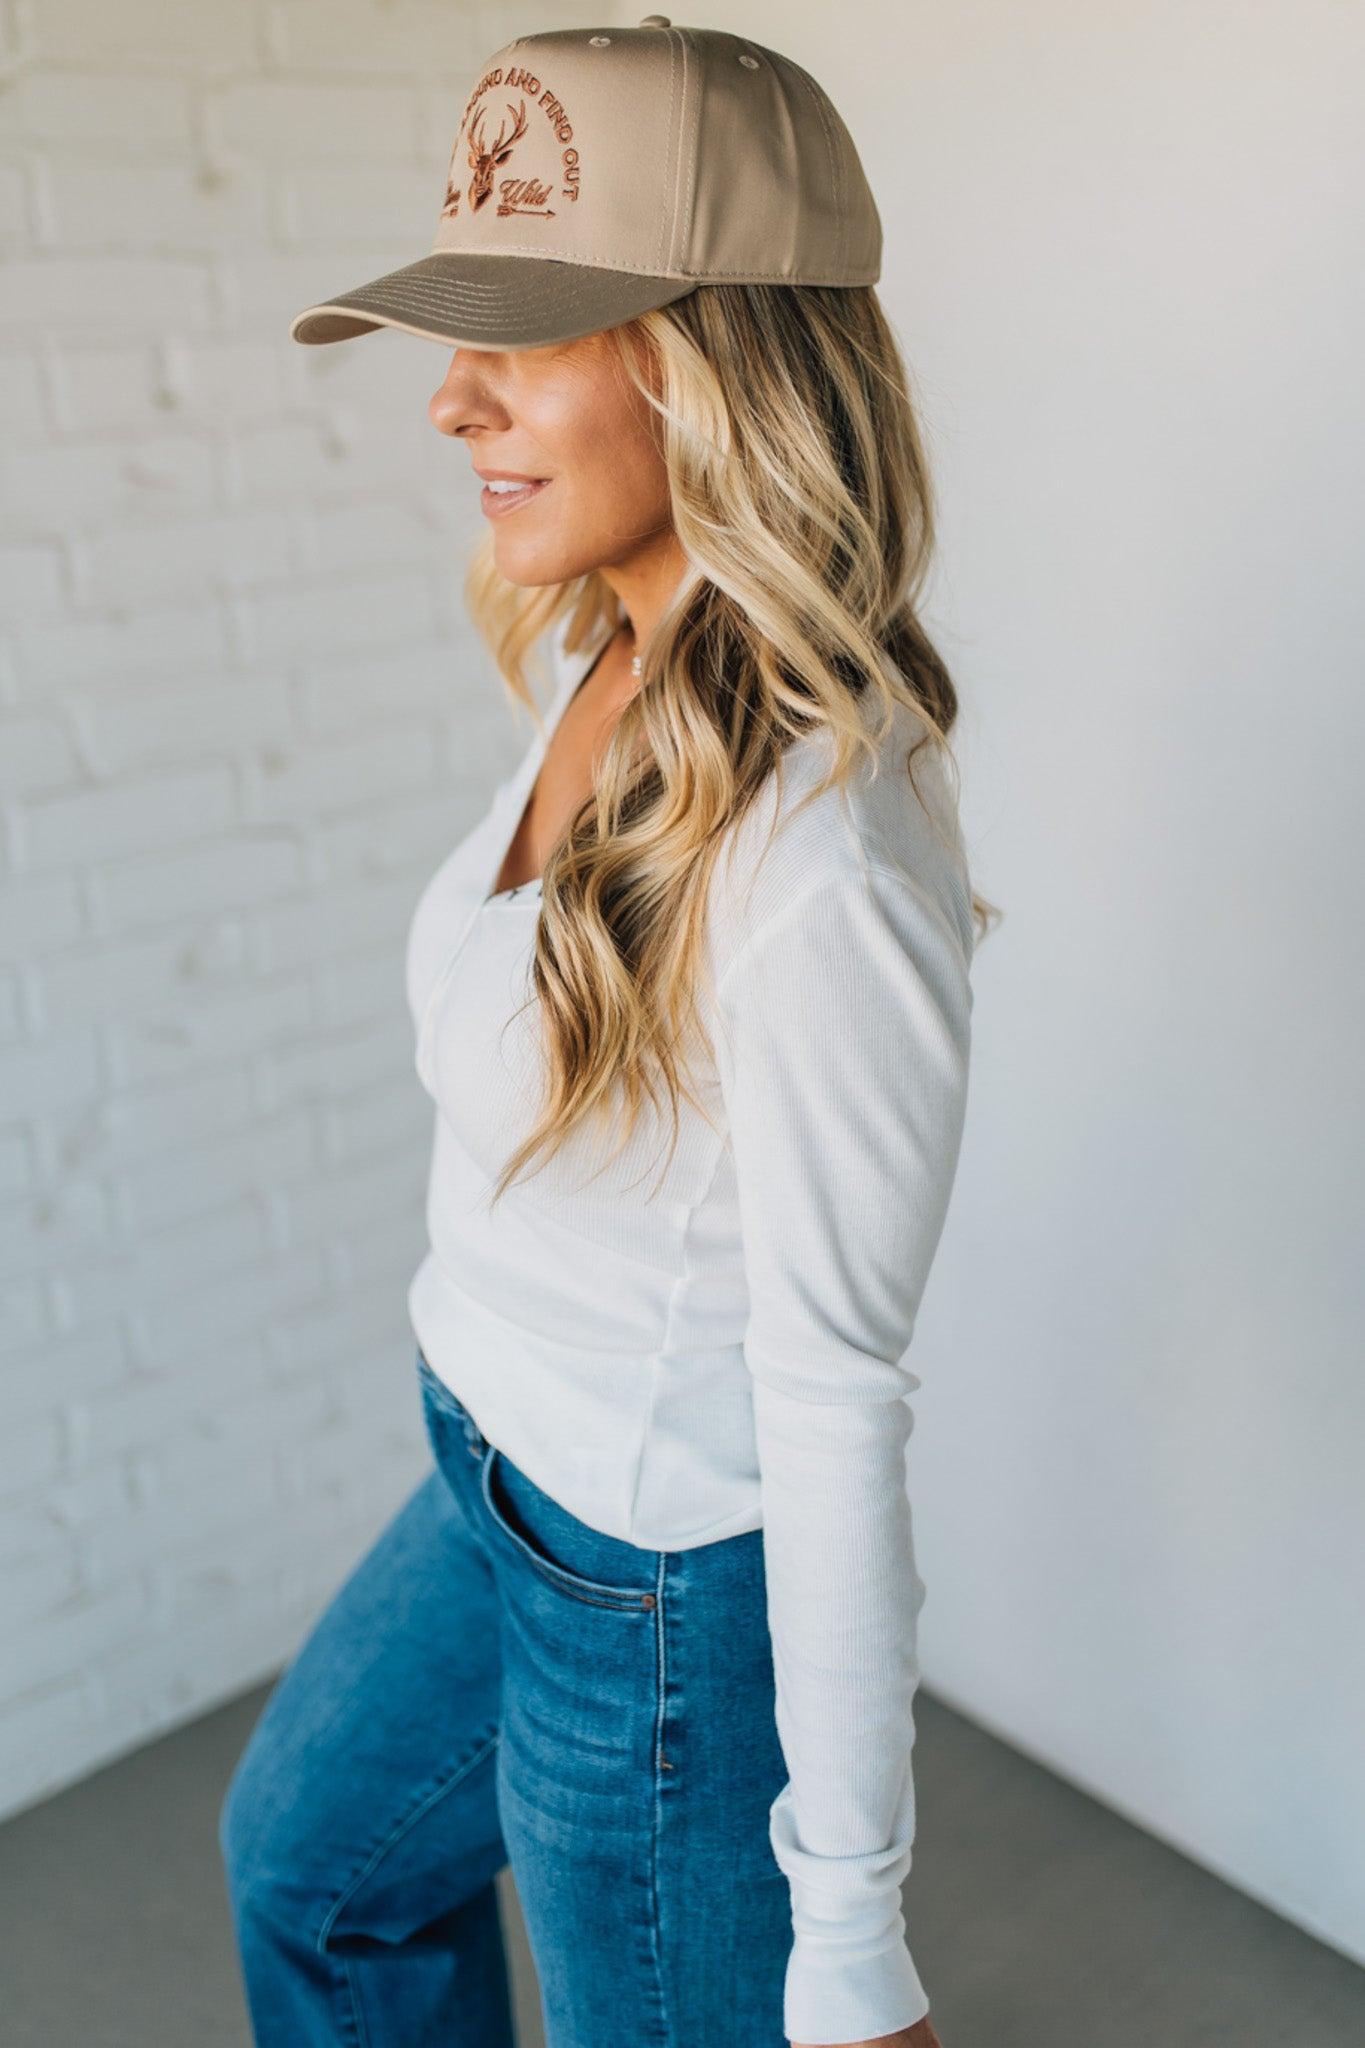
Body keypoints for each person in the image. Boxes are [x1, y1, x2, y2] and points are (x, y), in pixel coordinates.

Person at [219, 18, 986, 2048]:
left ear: (714, 360)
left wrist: (851, 1947)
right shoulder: (611, 639)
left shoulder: (820, 860)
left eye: (526, 334)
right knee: (307, 1873)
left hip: (647, 1598)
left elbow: (830, 1407)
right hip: (482, 1467)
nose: (453, 398)